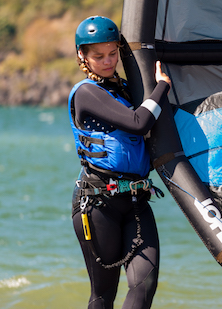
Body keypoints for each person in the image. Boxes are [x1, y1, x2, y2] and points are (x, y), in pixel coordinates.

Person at [68, 15, 171, 309]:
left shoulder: (126, 90)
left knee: (144, 285)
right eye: (98, 56)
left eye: (113, 53)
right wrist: (162, 85)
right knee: (103, 296)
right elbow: (139, 122)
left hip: (137, 200)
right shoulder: (87, 93)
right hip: (99, 203)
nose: (107, 61)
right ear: (82, 55)